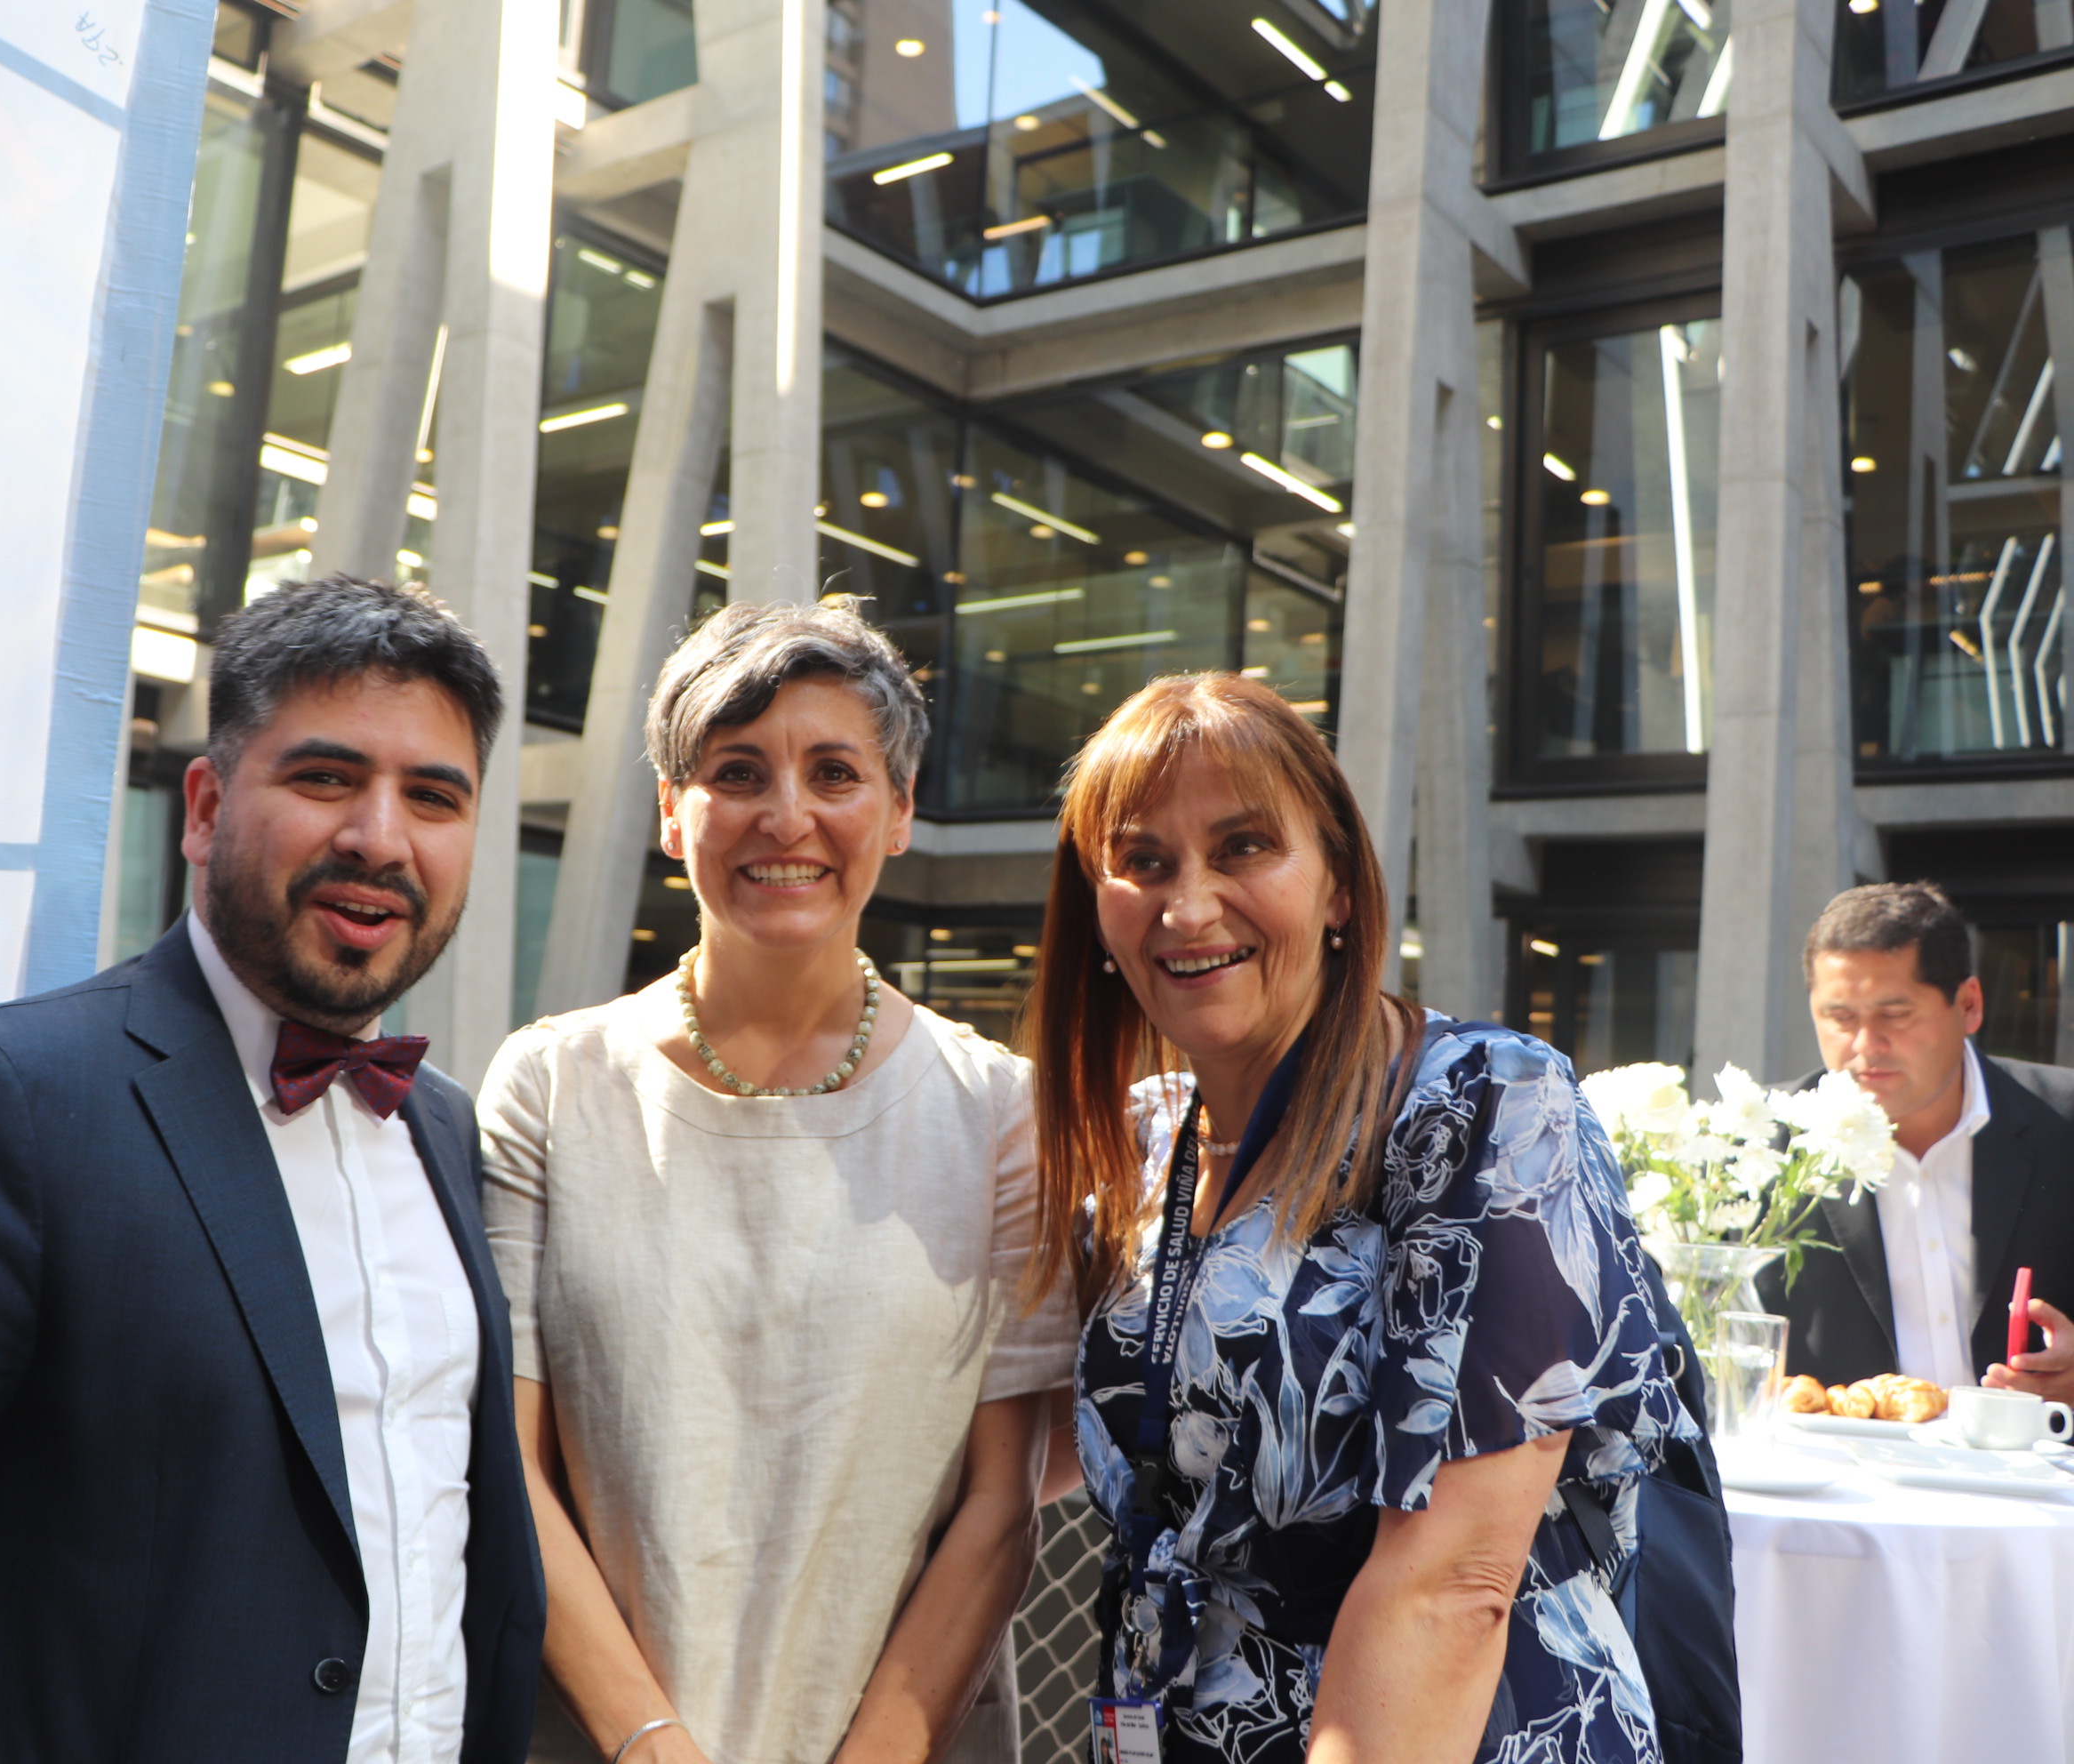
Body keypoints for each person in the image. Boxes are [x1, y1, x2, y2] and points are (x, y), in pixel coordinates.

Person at [0, 575, 542, 1764]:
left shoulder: (444, 1129)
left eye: (433, 797)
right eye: (325, 778)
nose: (380, 838)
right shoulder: (9, 1101)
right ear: (205, 808)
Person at [1029, 674, 1693, 1764]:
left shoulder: (1483, 1104)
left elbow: (1456, 1584)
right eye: (1143, 861)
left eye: (1243, 846)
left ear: (1339, 882)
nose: (1187, 906)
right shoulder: (1141, 1144)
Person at [478, 601, 1074, 1764]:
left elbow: (998, 1507)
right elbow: (512, 1467)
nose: (786, 816)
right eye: (737, 771)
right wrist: (652, 1743)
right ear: (671, 810)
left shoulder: (1000, 1111)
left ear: (899, 810)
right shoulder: (550, 1086)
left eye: (835, 773)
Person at [1756, 881, 2074, 1397]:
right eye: (1840, 1018)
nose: (1865, 1045)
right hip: (1835, 1448)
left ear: (1969, 1005)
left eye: (1894, 1015)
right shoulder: (1757, 1147)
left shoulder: (2063, 1123)